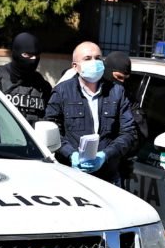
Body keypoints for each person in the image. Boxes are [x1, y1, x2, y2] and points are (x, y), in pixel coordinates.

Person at [44, 41, 137, 185]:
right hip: (71, 176)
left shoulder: (117, 92)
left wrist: (105, 155)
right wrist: (71, 154)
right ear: (75, 66)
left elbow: (128, 133)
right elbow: (52, 131)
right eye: (87, 58)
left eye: (97, 58)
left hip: (108, 177)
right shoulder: (62, 92)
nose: (94, 62)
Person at [102, 51, 148, 185]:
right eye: (118, 77)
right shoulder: (90, 93)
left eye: (125, 78)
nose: (122, 82)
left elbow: (138, 133)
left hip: (114, 168)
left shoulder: (128, 99)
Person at [0, 32, 52, 125]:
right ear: (16, 53)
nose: (33, 60)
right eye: (27, 55)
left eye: (36, 56)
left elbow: (50, 120)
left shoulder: (43, 86)